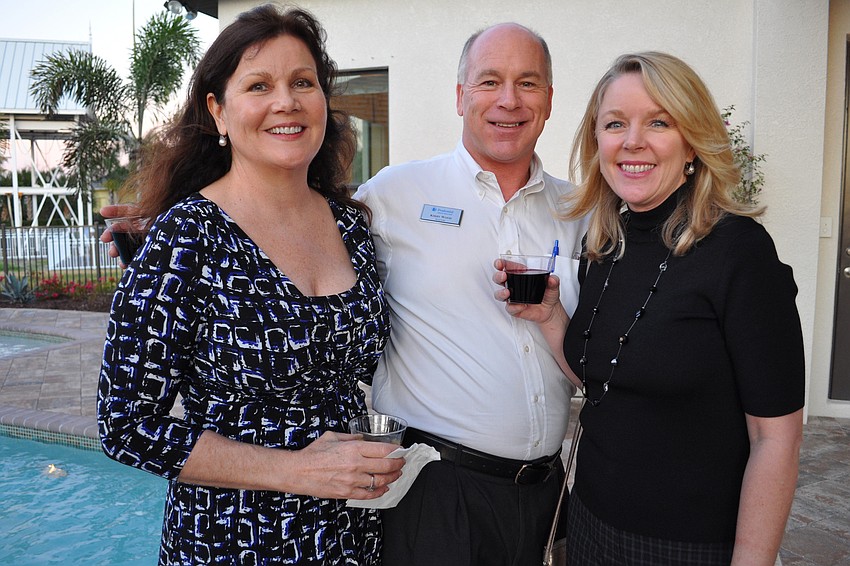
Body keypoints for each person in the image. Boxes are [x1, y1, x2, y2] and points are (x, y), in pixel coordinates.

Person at [97, 5, 404, 565]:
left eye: (303, 83)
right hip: (233, 538)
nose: (286, 102)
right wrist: (295, 471)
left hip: (351, 535)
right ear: (218, 111)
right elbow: (125, 426)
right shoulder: (188, 236)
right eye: (259, 85)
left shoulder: (351, 225)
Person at [494, 51, 805, 565]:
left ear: (692, 141)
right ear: (598, 142)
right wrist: (549, 315)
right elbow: (604, 381)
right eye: (615, 123)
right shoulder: (604, 245)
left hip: (688, 545)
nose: (632, 141)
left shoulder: (739, 253)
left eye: (658, 122)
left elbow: (776, 440)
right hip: (591, 527)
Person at [354, 23, 588, 565]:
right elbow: (292, 235)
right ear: (461, 96)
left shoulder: (582, 211)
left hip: (545, 492)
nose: (509, 100)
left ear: (549, 101)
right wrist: (182, 218)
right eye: (489, 81)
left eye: (528, 83)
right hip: (437, 493)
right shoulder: (395, 194)